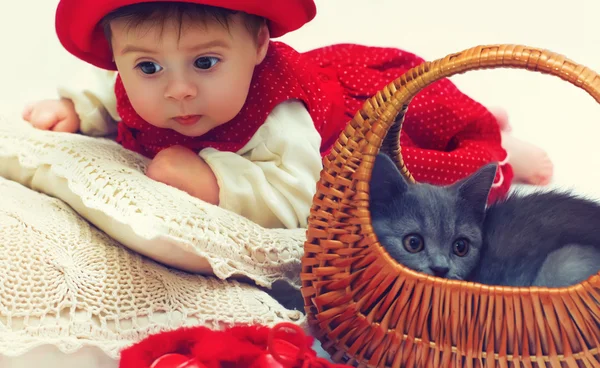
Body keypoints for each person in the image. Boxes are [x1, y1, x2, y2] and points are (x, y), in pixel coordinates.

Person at [22, 0, 553, 229]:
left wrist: (216, 182)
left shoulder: (280, 118)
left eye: (206, 62)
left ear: (257, 45)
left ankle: (504, 141)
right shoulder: (142, 77)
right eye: (148, 67)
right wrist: (75, 107)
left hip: (357, 119)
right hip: (313, 84)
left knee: (431, 146)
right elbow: (108, 85)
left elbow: (303, 193)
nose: (178, 91)